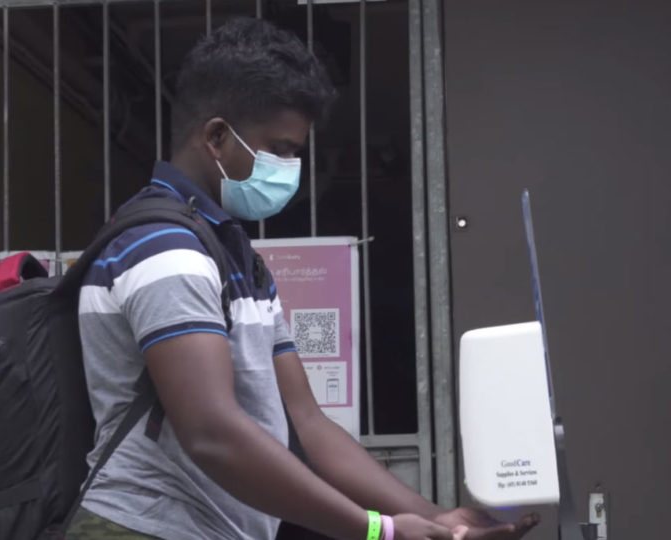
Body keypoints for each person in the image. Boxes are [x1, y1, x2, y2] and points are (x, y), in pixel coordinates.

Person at [69, 18, 539, 540]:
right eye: (281, 148)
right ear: (217, 137)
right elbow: (212, 433)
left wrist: (434, 517)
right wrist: (378, 531)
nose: (292, 167)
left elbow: (307, 423)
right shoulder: (164, 250)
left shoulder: (232, 254)